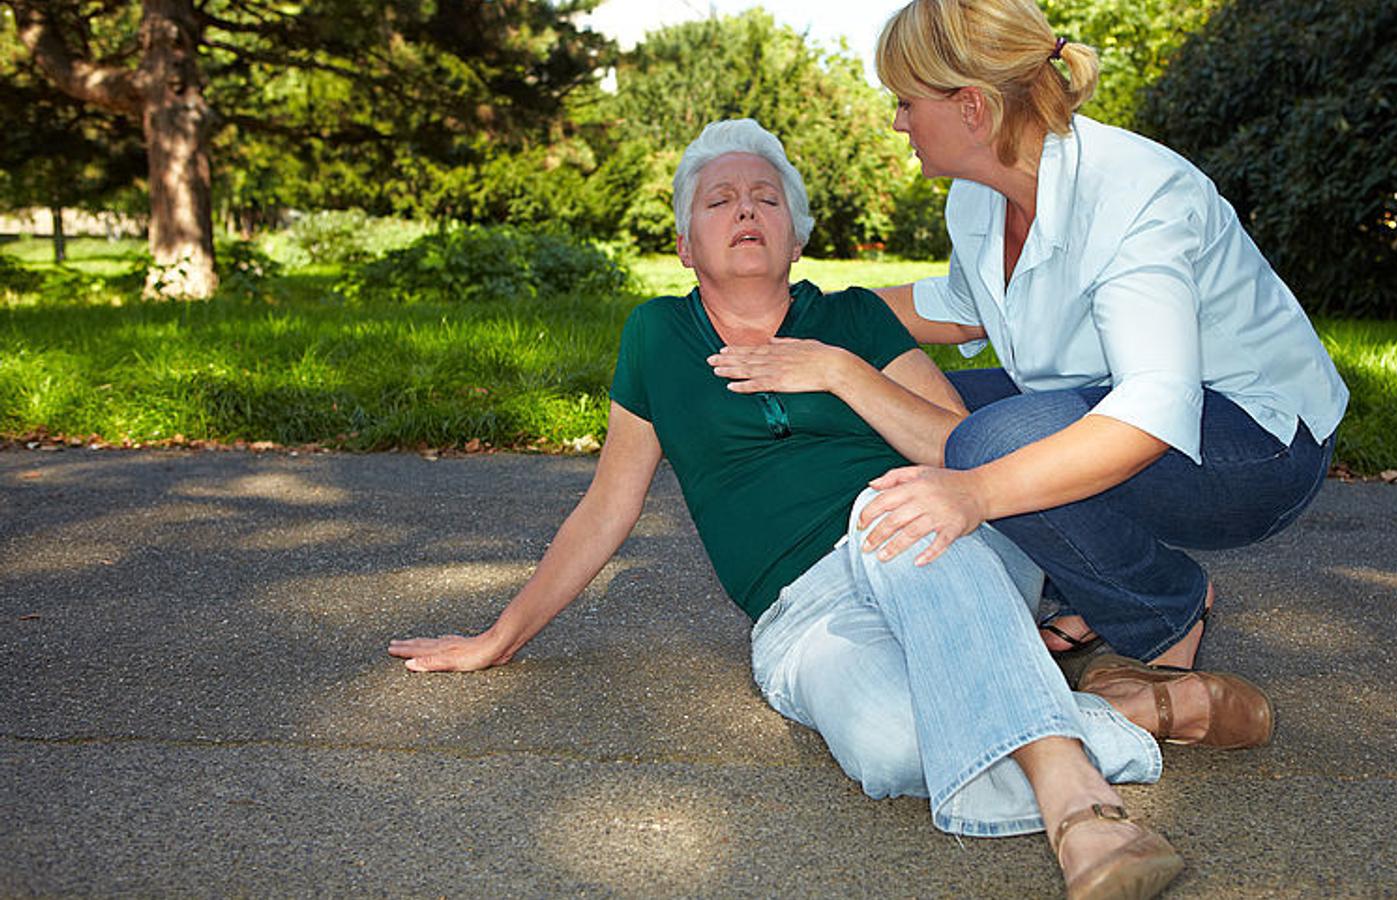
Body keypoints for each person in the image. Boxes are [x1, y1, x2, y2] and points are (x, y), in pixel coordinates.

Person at [389, 119, 1269, 899]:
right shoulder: (655, 336)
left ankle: (1083, 812)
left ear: (797, 233)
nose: (744, 211)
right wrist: (500, 636)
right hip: (798, 614)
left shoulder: (848, 318)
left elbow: (958, 451)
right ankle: (1134, 715)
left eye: (766, 198)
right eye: (720, 200)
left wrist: (840, 372)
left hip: (927, 536)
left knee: (891, 514)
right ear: (686, 243)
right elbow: (606, 509)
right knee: (890, 751)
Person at [855, 0, 1349, 678]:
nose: (898, 121)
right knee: (894, 407)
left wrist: (974, 492)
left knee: (986, 444)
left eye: (906, 101)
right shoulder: (977, 194)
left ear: (972, 106)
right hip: (1122, 402)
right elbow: (963, 309)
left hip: (1260, 443)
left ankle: (1163, 612)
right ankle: (1083, 587)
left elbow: (1152, 411)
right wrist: (806, 311)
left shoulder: (1134, 191)